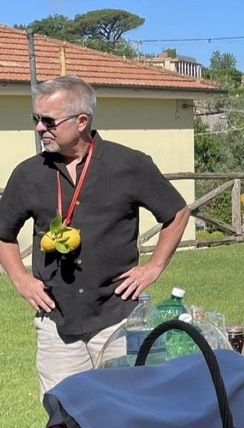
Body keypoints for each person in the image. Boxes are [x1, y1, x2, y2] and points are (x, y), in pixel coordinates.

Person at [0, 75, 190, 395]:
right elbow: (3, 234)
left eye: (48, 121)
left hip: (117, 320)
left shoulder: (129, 165)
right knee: (65, 419)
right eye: (36, 119)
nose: (39, 128)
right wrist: (20, 278)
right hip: (56, 324)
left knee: (127, 413)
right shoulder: (28, 174)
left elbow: (177, 213)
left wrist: (153, 267)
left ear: (82, 121)